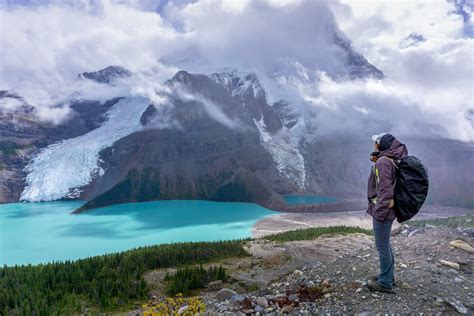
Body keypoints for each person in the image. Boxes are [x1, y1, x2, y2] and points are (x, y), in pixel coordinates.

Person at [366, 133, 408, 293]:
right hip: (387, 209)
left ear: (380, 144)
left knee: (382, 246)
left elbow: (385, 190)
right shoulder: (387, 159)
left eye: (376, 142)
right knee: (385, 245)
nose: (374, 145)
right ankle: (389, 276)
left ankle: (385, 282)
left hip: (384, 210)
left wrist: (379, 212)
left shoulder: (383, 162)